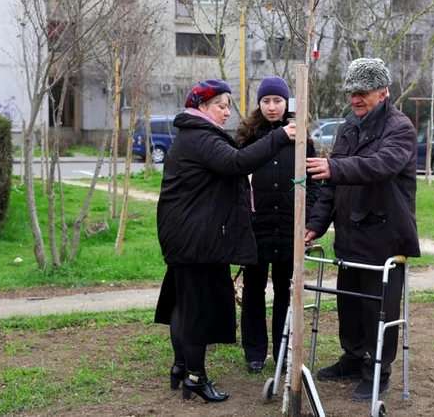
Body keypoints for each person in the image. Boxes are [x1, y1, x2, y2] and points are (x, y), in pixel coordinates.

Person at [154, 79, 296, 403]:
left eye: (230, 105)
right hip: (194, 239)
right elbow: (236, 163)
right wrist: (279, 137)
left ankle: (181, 366)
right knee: (195, 310)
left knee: (183, 303)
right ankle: (195, 377)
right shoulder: (201, 137)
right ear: (203, 107)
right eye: (222, 105)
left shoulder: (193, 136)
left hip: (184, 234)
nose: (227, 112)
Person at [304, 58, 420, 402]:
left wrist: (335, 167)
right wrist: (315, 225)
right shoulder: (348, 127)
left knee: (379, 309)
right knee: (350, 305)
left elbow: (381, 165)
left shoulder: (399, 128)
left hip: (384, 235)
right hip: (350, 234)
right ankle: (353, 358)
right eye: (352, 92)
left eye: (363, 92)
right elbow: (330, 184)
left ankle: (378, 370)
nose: (355, 98)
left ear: (383, 93)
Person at [236, 76, 320, 374]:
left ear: (287, 103)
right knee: (254, 290)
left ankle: (283, 350)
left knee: (287, 290)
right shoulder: (247, 136)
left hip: (289, 229)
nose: (272, 107)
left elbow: (314, 184)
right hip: (256, 229)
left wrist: (307, 220)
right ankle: (254, 352)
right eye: (266, 101)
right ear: (259, 104)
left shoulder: (301, 138)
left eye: (278, 101)